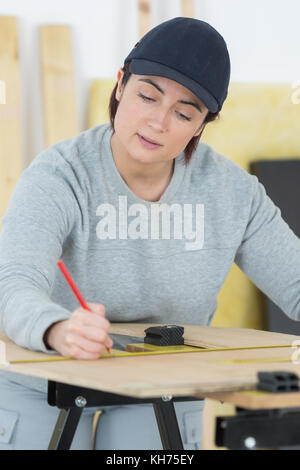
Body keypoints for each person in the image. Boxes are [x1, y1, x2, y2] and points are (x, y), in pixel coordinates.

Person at [0, 16, 300, 450]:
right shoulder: (58, 175)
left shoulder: (232, 193)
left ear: (202, 124)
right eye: (147, 95)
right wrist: (57, 329)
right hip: (47, 373)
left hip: (164, 386)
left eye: (184, 112)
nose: (158, 122)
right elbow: (13, 282)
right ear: (120, 85)